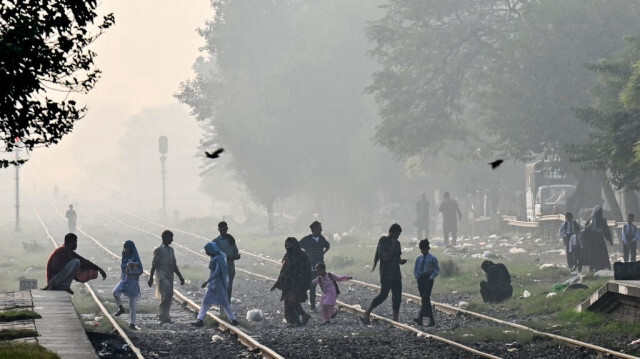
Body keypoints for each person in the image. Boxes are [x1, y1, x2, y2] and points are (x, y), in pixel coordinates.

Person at [362, 223, 407, 324]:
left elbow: (397, 258)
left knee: (397, 297)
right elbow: (385, 257)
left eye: (398, 235)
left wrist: (401, 261)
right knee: (383, 295)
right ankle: (368, 312)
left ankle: (395, 319)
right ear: (391, 232)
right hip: (386, 274)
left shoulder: (398, 243)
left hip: (396, 274)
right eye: (396, 234)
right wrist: (392, 246)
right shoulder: (383, 241)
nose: (397, 237)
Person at [192, 242, 239, 327]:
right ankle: (200, 320)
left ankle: (233, 319)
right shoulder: (218, 257)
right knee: (208, 302)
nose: (206, 253)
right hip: (213, 285)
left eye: (207, 250)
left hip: (218, 284)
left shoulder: (218, 259)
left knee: (221, 303)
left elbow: (217, 272)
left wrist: (207, 281)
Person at [271, 237, 312, 327]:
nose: (288, 248)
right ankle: (294, 321)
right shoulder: (287, 256)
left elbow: (306, 270)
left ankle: (304, 315)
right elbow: (283, 271)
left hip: (298, 283)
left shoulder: (302, 256)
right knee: (288, 302)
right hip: (287, 283)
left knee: (292, 299)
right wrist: (277, 283)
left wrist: (302, 282)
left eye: (290, 246)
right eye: (286, 246)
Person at [148, 230, 185, 324]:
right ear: (165, 238)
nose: (172, 240)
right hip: (161, 276)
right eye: (170, 238)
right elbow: (154, 265)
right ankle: (162, 315)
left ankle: (166, 316)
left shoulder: (171, 250)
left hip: (170, 276)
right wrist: (151, 277)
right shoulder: (159, 250)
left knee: (168, 296)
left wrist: (180, 276)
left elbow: (174, 265)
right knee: (166, 295)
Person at [299, 221, 331, 311]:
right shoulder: (307, 239)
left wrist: (323, 253)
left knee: (323, 284)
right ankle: (313, 305)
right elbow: (298, 246)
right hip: (311, 265)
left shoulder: (321, 238)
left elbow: (328, 246)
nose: (321, 229)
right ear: (315, 229)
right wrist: (306, 254)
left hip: (321, 264)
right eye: (319, 227)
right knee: (313, 285)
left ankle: (327, 303)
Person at [113, 240, 143, 330]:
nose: (126, 250)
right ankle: (121, 308)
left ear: (131, 249)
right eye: (125, 248)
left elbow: (140, 270)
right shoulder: (124, 257)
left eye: (127, 248)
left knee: (132, 304)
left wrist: (132, 270)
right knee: (115, 292)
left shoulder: (135, 258)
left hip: (133, 282)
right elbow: (123, 269)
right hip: (124, 281)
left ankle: (132, 323)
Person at [413, 239, 439, 327]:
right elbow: (416, 270)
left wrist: (431, 277)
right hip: (421, 279)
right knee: (425, 300)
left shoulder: (432, 258)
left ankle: (420, 317)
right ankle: (431, 320)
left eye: (425, 249)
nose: (423, 251)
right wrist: (417, 277)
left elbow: (436, 270)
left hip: (428, 279)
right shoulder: (418, 258)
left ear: (428, 248)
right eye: (422, 249)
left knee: (425, 297)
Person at [212, 221, 240, 301]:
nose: (223, 231)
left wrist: (235, 256)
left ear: (227, 229)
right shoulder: (215, 242)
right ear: (218, 230)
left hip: (230, 268)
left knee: (229, 288)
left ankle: (227, 307)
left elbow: (235, 251)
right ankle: (222, 308)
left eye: (225, 229)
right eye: (221, 230)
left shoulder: (231, 239)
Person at [581, 205, 613, 272]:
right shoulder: (590, 219)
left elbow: (606, 230)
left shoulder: (603, 220)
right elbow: (586, 228)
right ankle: (592, 267)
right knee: (592, 254)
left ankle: (600, 268)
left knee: (601, 254)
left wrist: (609, 239)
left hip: (599, 240)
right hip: (591, 240)